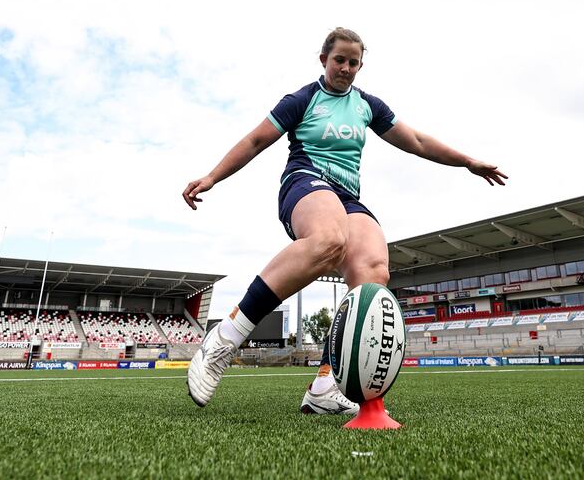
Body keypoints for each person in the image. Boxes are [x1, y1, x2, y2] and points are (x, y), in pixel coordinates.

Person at [182, 28, 507, 413]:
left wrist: (467, 161)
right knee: (330, 238)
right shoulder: (303, 99)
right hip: (305, 182)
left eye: (354, 63)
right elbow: (255, 141)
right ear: (324, 59)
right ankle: (224, 337)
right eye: (340, 60)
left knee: (373, 270)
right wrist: (212, 177)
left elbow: (417, 141)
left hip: (347, 196)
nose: (346, 68)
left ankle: (325, 384)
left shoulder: (367, 106)